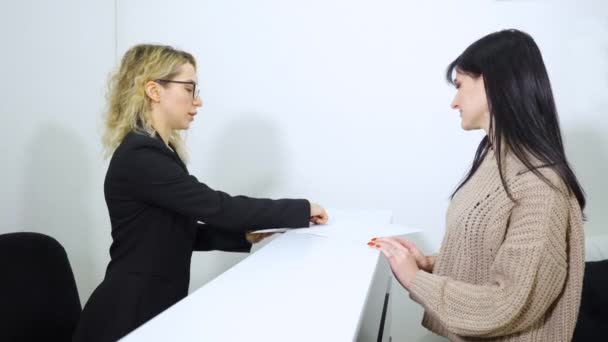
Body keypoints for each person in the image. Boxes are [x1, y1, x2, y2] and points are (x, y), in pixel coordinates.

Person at [73, 44, 328, 342]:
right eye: (189, 89)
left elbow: (170, 234)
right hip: (128, 315)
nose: (198, 101)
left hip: (151, 307)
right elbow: (218, 206)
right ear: (154, 91)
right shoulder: (141, 156)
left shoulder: (160, 151)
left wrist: (240, 236)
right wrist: (301, 208)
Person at [371, 29, 586, 341]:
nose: (453, 102)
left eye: (459, 86)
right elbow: (491, 254)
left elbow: (509, 303)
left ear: (492, 84)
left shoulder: (541, 184)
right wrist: (431, 263)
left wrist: (415, 279)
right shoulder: (493, 159)